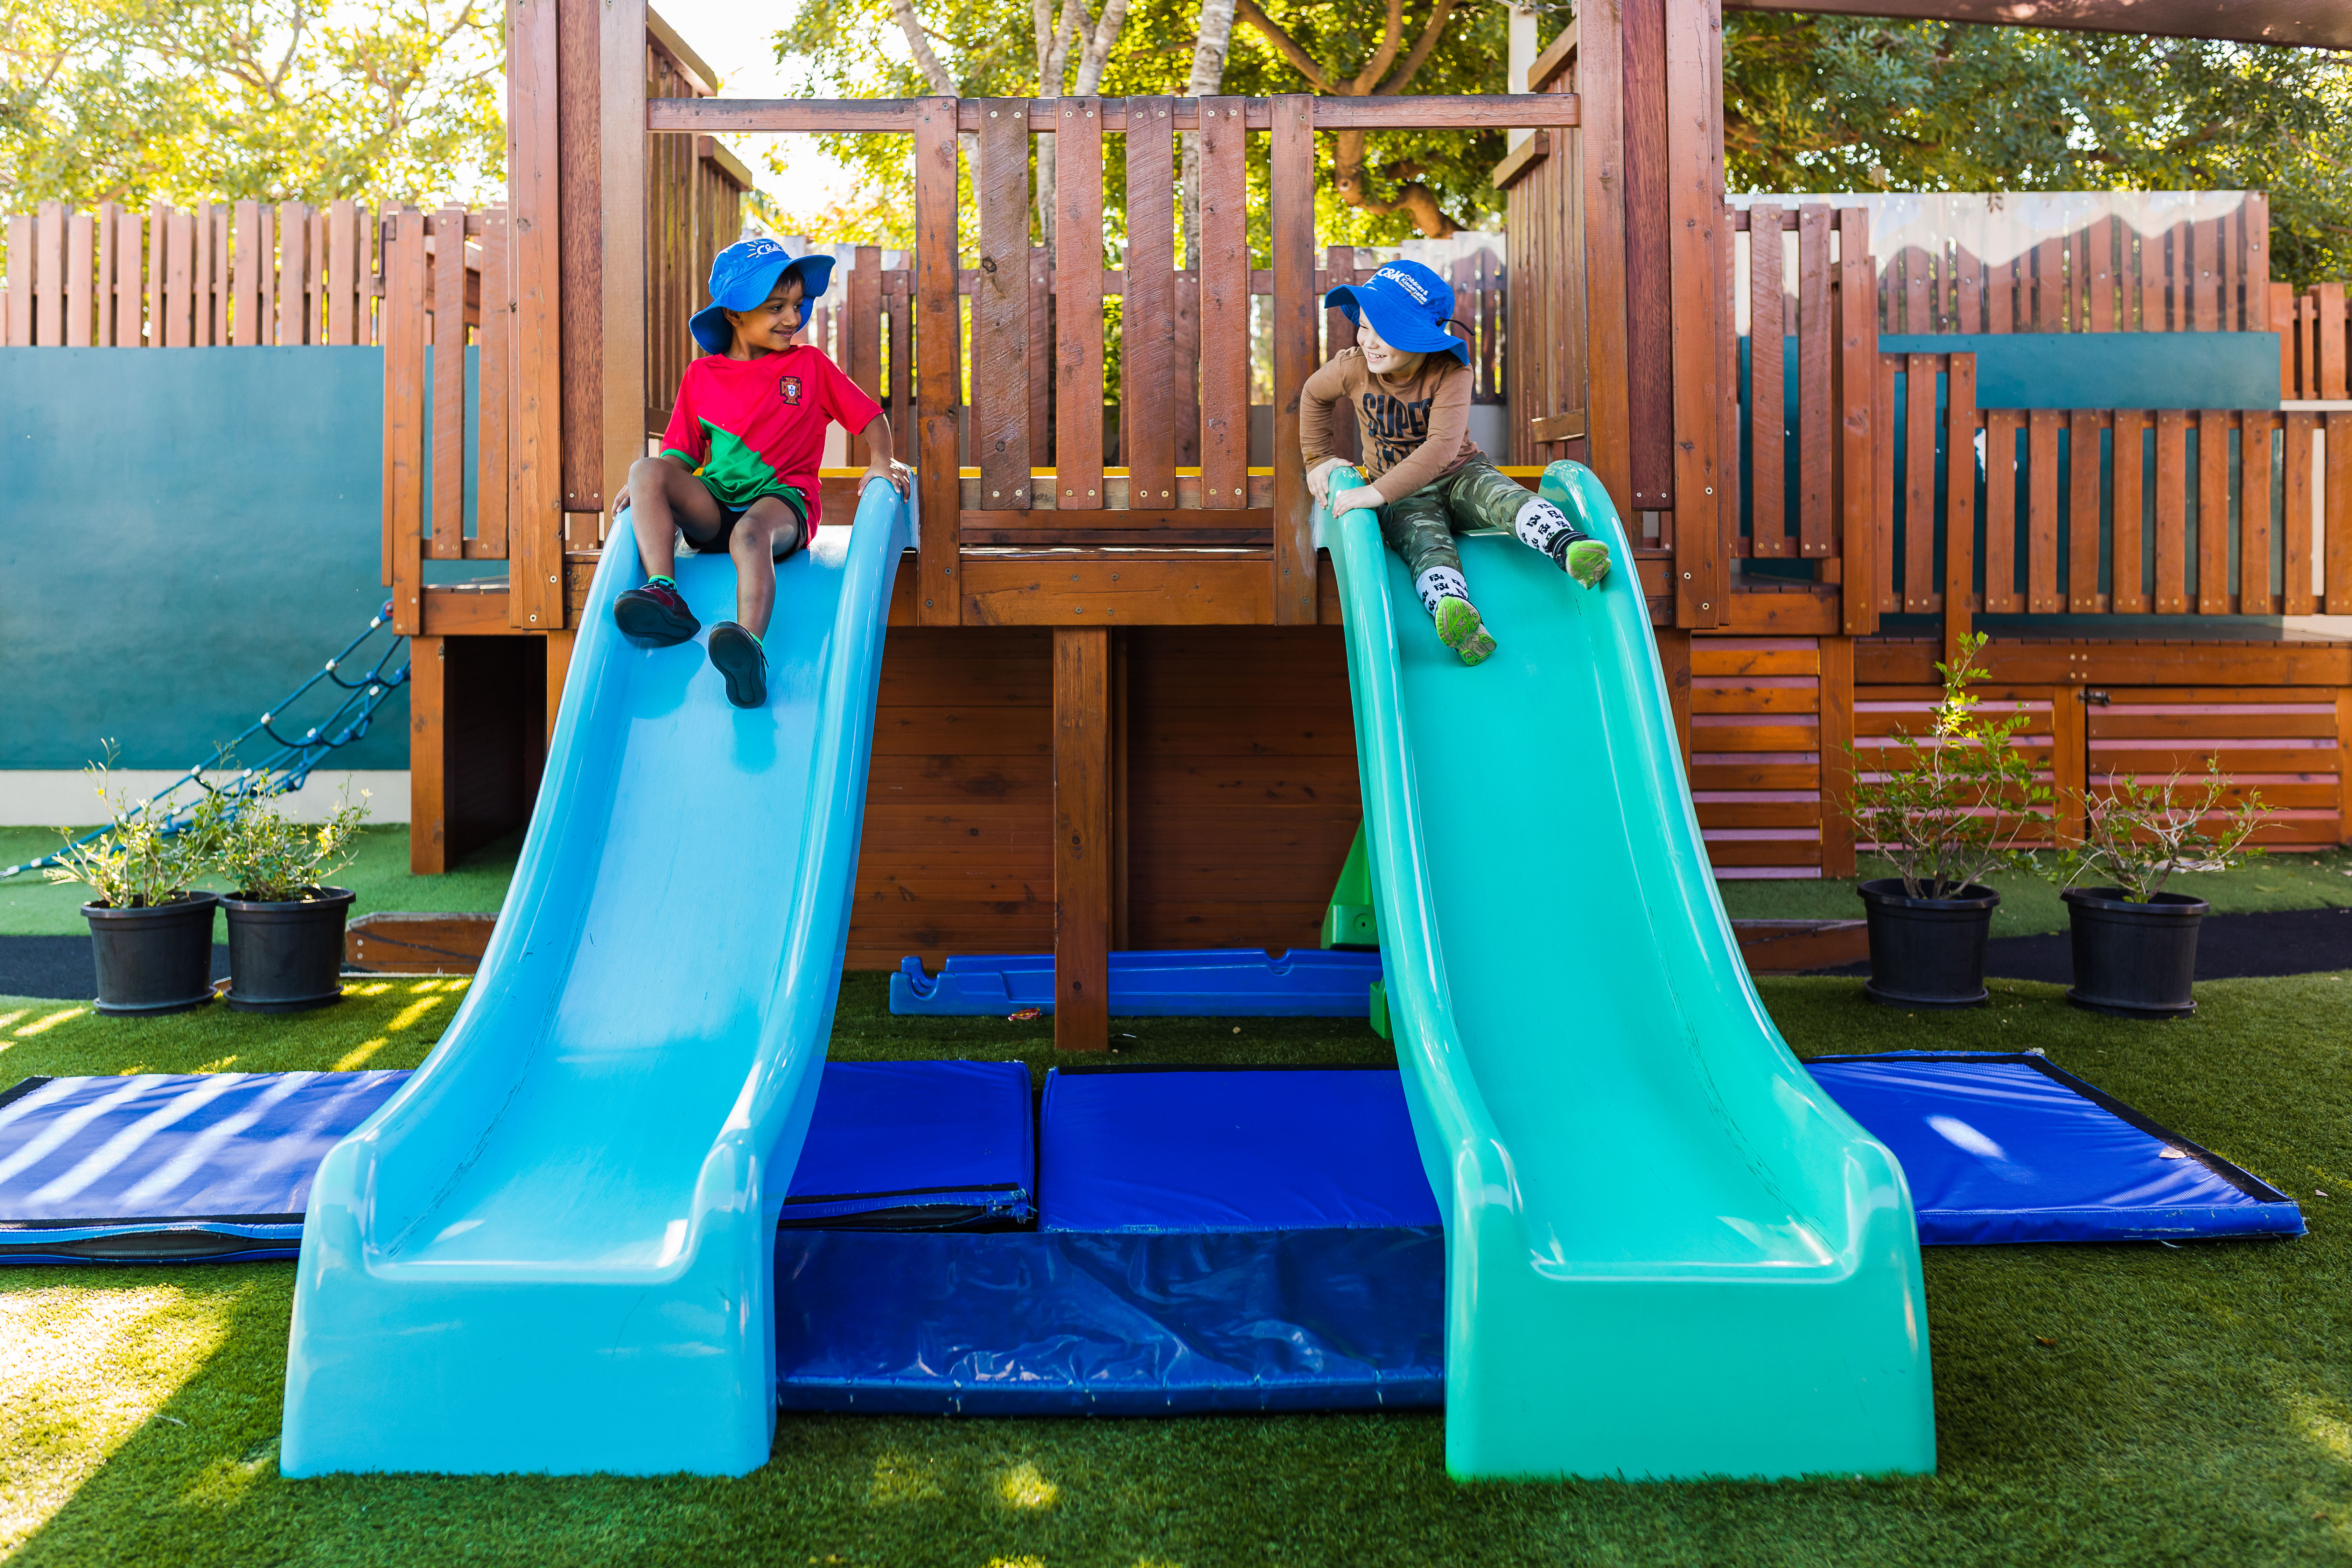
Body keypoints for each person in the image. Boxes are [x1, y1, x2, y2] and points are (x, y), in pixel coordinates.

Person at [612, 236, 910, 707]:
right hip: (715, 504)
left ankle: (748, 647)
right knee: (644, 470)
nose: (793, 319)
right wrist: (649, 492)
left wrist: (880, 461)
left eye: (797, 305)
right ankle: (666, 596)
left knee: (749, 534)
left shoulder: (808, 366)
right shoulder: (701, 376)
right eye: (776, 308)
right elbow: (678, 455)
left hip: (780, 503)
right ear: (734, 314)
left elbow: (869, 416)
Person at [1302, 258, 1609, 666]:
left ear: (1418, 336)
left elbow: (1443, 448)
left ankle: (1570, 549)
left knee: (1502, 496)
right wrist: (1318, 458)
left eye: (1385, 332)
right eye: (1364, 327)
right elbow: (1313, 394)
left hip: (1460, 474)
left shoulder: (1451, 370)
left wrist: (1374, 492)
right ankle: (1459, 618)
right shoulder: (1353, 367)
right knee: (1423, 543)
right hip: (1406, 497)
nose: (1369, 342)